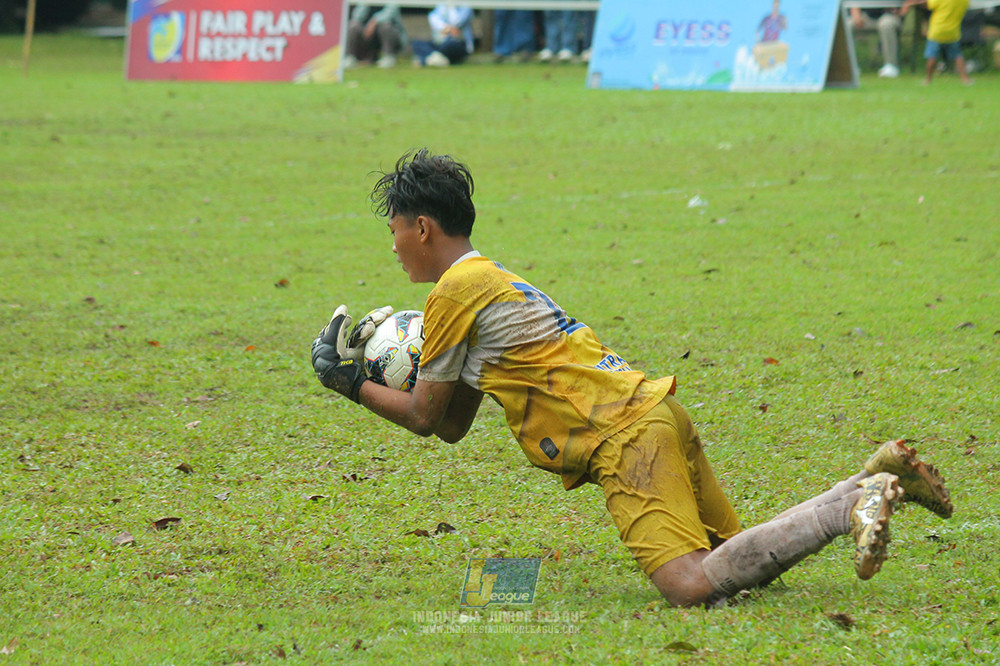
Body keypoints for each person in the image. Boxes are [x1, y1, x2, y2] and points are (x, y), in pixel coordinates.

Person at [310, 149, 954, 607]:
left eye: (394, 230)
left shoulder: (453, 294)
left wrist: (348, 383)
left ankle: (851, 507)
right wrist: (365, 382)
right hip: (652, 411)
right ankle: (871, 479)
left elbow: (423, 416)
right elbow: (450, 425)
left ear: (421, 227)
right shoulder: (488, 281)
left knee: (690, 584)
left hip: (623, 438)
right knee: (743, 560)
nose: (393, 246)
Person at [901, 0, 972, 84]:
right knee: (957, 56)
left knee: (932, 57)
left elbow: (928, 4)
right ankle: (965, 79)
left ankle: (928, 79)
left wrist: (912, 3)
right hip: (953, 32)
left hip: (937, 31)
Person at [344, 4, 407, 69]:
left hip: (389, 36)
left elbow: (389, 14)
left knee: (385, 27)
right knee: (353, 26)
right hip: (368, 36)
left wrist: (374, 21)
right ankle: (349, 58)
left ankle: (388, 57)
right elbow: (357, 16)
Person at [849, 6, 903, 78]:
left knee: (886, 24)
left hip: (890, 16)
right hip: (867, 17)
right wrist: (856, 16)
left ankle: (891, 65)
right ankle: (849, 66)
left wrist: (901, 12)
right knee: (848, 25)